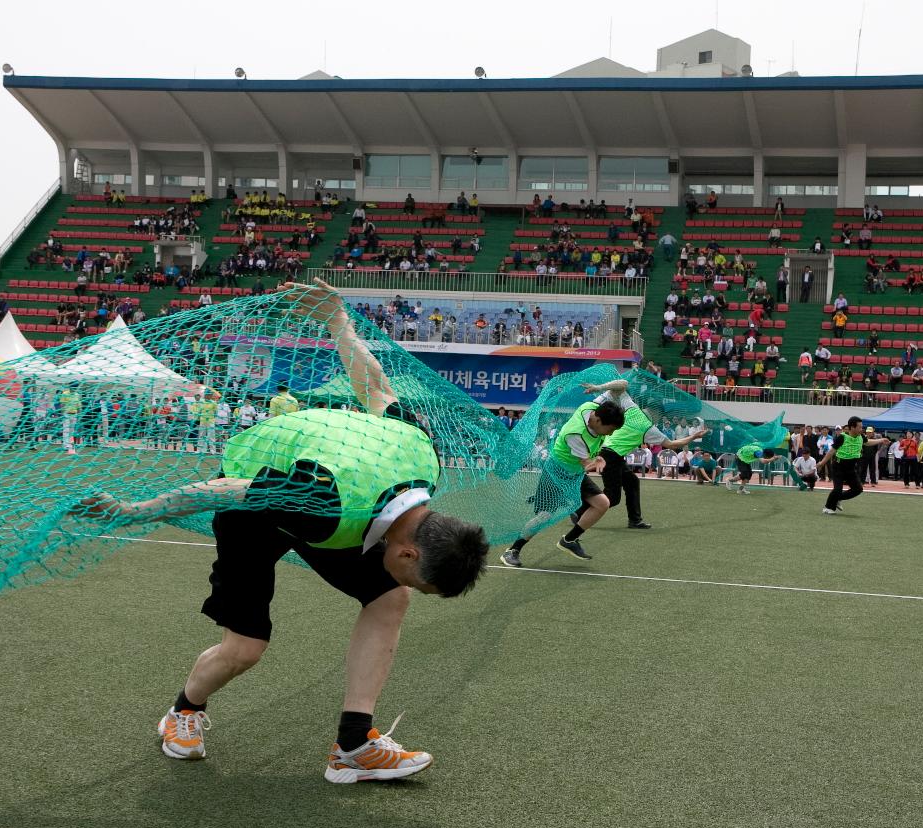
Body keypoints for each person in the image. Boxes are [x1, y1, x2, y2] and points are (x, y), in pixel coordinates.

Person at [72, 279, 488, 783]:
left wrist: (339, 322)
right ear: (407, 555)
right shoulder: (322, 501)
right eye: (416, 580)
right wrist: (133, 511)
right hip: (259, 509)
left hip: (341, 508)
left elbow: (375, 387)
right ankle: (183, 711)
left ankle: (353, 746)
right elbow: (224, 488)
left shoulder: (422, 456)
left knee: (388, 601)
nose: (409, 584)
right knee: (246, 647)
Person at [500, 395, 626, 567]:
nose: (611, 434)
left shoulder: (592, 406)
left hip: (574, 473)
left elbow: (615, 389)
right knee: (545, 516)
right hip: (556, 472)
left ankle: (569, 540)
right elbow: (587, 464)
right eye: (610, 429)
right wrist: (599, 461)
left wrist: (598, 389)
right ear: (597, 420)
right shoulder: (576, 435)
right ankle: (512, 550)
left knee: (602, 503)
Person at [572, 377, 707, 530]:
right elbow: (672, 444)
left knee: (631, 481)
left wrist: (598, 387)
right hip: (611, 456)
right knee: (613, 497)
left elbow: (621, 385)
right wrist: (694, 436)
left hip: (610, 453)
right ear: (656, 413)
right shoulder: (648, 427)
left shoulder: (632, 409)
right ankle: (579, 512)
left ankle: (635, 520)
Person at [818, 416, 890, 514]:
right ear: (852, 427)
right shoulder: (842, 437)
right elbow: (831, 451)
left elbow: (867, 442)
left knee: (858, 489)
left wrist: (881, 440)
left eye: (862, 427)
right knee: (838, 489)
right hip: (839, 466)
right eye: (860, 427)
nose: (862, 429)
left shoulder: (861, 436)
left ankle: (838, 499)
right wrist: (822, 463)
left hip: (851, 468)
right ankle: (828, 507)